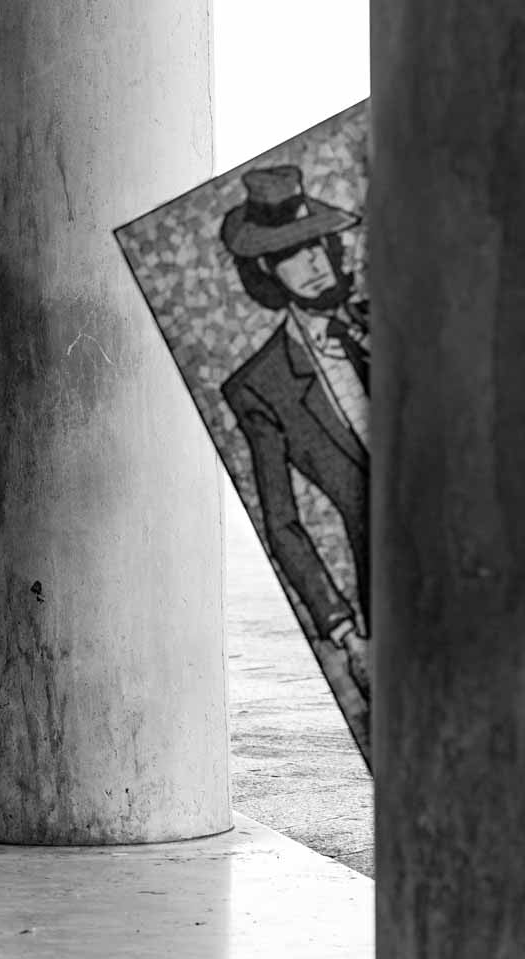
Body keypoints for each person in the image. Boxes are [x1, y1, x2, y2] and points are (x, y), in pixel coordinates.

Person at [219, 164, 370, 697]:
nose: (312, 264)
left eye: (314, 245)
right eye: (289, 254)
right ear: (265, 269)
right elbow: (282, 524)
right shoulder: (260, 385)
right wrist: (347, 636)